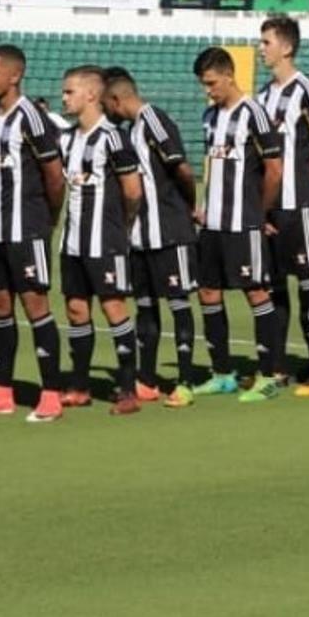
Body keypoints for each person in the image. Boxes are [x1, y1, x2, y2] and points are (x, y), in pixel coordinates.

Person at [0, 44, 68, 422]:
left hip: (28, 229)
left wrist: (47, 221)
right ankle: (1, 391)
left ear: (14, 75)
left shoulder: (32, 119)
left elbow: (55, 177)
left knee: (36, 308)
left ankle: (50, 394)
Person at [189, 47, 288, 403]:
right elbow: (211, 164)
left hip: (243, 222)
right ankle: (222, 373)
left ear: (229, 76)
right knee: (208, 293)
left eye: (212, 83)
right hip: (212, 224)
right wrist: (202, 206)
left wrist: (260, 213)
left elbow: (274, 170)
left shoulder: (255, 115)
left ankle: (269, 374)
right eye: (204, 85)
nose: (208, 91)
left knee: (256, 292)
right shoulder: (210, 117)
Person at [103, 68, 203, 406]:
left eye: (107, 103)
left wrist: (190, 206)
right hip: (140, 235)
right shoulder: (131, 131)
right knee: (145, 307)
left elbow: (182, 169)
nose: (106, 110)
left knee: (178, 304)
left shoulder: (154, 121)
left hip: (170, 230)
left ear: (117, 98)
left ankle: (186, 380)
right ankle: (146, 378)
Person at [55, 67, 144, 413]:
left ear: (92, 95)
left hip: (105, 240)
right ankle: (79, 386)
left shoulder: (113, 137)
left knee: (114, 308)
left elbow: (132, 191)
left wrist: (121, 226)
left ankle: (127, 390)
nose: (64, 98)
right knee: (76, 310)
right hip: (72, 242)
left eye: (69, 92)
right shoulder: (67, 139)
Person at [256, 16, 309, 384]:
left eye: (266, 42)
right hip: (271, 205)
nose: (261, 48)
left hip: (299, 202)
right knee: (274, 286)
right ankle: (276, 365)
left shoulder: (306, 89)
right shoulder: (263, 94)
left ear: (286, 47)